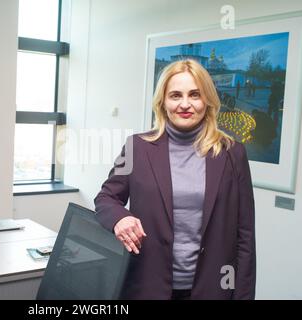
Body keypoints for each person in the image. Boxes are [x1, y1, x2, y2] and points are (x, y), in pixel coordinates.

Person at [94, 59, 256, 300]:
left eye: (194, 95)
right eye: (175, 95)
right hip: (148, 287)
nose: (185, 104)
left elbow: (245, 234)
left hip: (213, 289)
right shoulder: (136, 147)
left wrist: (242, 296)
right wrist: (120, 218)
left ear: (207, 101)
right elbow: (106, 198)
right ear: (163, 103)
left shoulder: (232, 153)